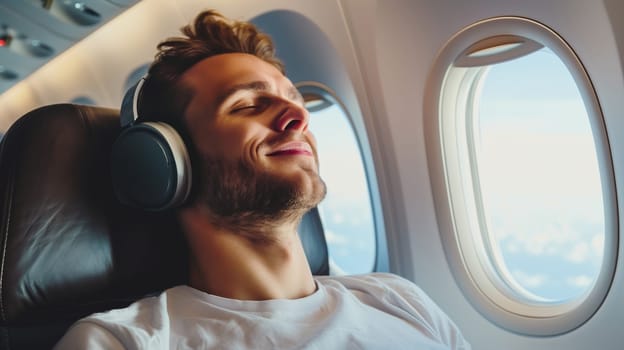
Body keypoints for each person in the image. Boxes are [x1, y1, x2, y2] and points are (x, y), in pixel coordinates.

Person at [54, 9, 471, 349]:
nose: (299, 117)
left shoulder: (399, 299)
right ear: (165, 161)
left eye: (295, 99)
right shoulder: (120, 342)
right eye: (249, 104)